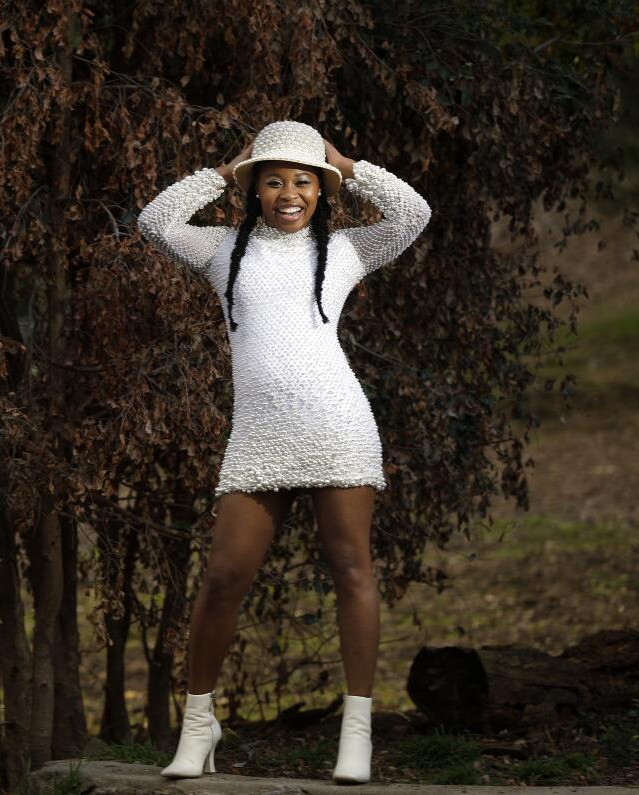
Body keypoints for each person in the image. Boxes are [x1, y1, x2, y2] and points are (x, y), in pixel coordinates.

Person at [135, 120, 432, 783]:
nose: (288, 193)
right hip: (260, 436)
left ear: (321, 191)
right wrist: (223, 169)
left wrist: (348, 163)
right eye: (273, 180)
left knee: (352, 569)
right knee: (222, 581)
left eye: (302, 181)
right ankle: (198, 722)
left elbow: (415, 213)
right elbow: (154, 221)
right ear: (256, 189)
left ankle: (355, 734)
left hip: (336, 426)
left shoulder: (349, 249)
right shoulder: (222, 250)